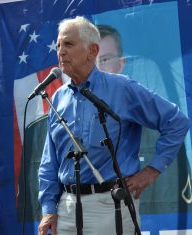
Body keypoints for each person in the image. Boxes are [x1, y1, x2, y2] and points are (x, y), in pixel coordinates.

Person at [38, 16, 189, 235]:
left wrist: (151, 171)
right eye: (59, 45)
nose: (60, 51)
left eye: (68, 44)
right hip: (67, 209)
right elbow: (49, 161)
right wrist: (49, 209)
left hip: (111, 206)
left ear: (92, 51)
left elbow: (176, 122)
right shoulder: (58, 97)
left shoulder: (122, 88)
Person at [97, 24, 192, 213]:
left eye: (105, 59)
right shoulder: (67, 104)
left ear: (121, 64)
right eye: (91, 60)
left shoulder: (145, 113)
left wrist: (152, 170)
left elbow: (178, 123)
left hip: (125, 208)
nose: (98, 68)